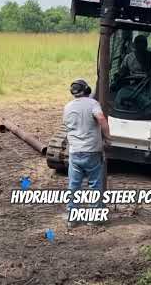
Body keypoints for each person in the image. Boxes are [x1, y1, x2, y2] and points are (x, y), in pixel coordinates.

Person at [63, 79, 110, 228]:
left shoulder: (67, 107)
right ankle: (94, 218)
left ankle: (72, 218)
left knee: (74, 185)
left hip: (75, 152)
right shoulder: (93, 104)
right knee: (95, 185)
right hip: (92, 152)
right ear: (87, 90)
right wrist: (108, 137)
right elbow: (101, 119)